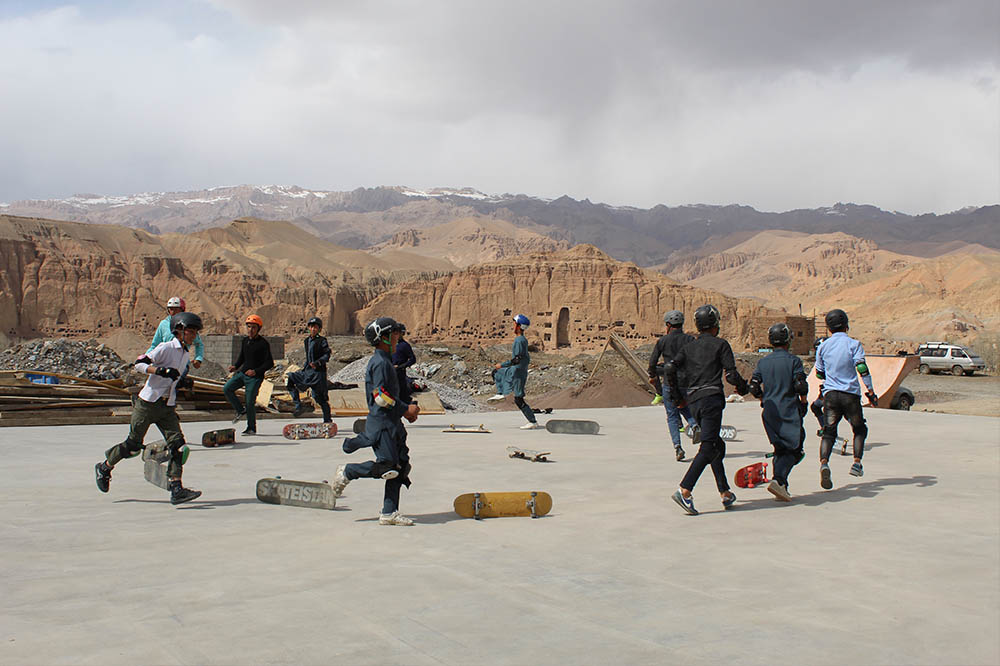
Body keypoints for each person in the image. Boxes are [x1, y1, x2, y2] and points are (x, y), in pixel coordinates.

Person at [94, 312, 203, 505]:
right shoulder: (165, 348)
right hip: (148, 403)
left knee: (178, 446)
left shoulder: (186, 354)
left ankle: (176, 488)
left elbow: (173, 377)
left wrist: (182, 381)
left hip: (166, 406)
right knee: (133, 445)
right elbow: (139, 364)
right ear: (179, 331)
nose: (194, 335)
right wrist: (160, 370)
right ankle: (105, 467)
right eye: (191, 331)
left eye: (195, 332)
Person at [332, 317, 419, 526]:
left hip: (392, 423)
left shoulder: (387, 361)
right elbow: (381, 397)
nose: (398, 338)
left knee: (400, 466)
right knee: (388, 467)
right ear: (383, 338)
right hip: (382, 423)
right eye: (394, 334)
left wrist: (406, 409)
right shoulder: (380, 363)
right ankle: (348, 471)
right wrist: (405, 409)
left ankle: (389, 512)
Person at [665, 304, 750, 515]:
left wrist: (677, 397)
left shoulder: (688, 348)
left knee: (717, 446)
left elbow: (669, 368)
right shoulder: (721, 345)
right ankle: (684, 490)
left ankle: (725, 492)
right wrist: (743, 387)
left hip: (694, 401)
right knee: (708, 446)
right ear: (715, 324)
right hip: (711, 399)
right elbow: (730, 375)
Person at [814, 308, 878, 489]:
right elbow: (862, 368)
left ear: (828, 327)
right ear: (846, 325)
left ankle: (824, 463)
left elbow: (819, 374)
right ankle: (857, 463)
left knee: (829, 432)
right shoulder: (854, 344)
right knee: (859, 429)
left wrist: (831, 373)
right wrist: (871, 391)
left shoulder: (823, 346)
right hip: (850, 395)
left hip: (831, 396)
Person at [749, 323, 809, 501]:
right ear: (787, 340)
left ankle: (782, 488)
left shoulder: (763, 361)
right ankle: (779, 479)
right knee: (795, 449)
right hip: (788, 410)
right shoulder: (793, 361)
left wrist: (762, 397)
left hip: (769, 411)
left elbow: (753, 385)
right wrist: (804, 403)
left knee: (779, 449)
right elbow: (800, 385)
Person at [648, 309, 697, 462]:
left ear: (668, 325)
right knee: (684, 406)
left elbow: (651, 364)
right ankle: (694, 425)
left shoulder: (662, 341)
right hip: (687, 382)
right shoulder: (690, 340)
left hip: (669, 383)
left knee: (672, 416)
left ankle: (678, 447)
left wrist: (654, 374)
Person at [223, 314, 274, 436]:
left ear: (258, 329)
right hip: (242, 373)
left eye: (253, 328)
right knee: (227, 388)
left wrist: (255, 371)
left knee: (249, 401)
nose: (250, 330)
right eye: (249, 327)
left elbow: (269, 363)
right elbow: (242, 357)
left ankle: (251, 427)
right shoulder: (245, 341)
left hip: (255, 377)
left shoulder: (263, 343)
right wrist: (235, 366)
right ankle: (240, 411)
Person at [487, 314, 539, 430]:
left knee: (518, 398)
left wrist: (502, 364)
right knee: (496, 372)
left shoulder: (520, 340)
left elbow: (517, 359)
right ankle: (501, 394)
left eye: (515, 323)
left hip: (517, 372)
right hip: (517, 370)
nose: (513, 325)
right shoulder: (520, 339)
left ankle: (532, 421)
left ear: (519, 326)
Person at [286, 317, 332, 422]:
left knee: (319, 398)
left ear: (319, 329)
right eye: (311, 327)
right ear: (308, 328)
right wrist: (304, 369)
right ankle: (298, 405)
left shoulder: (322, 341)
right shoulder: (307, 341)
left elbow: (327, 355)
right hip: (308, 372)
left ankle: (327, 420)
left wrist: (318, 363)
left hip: (318, 374)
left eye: (316, 327)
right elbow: (308, 357)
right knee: (290, 378)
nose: (313, 329)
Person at [147, 297, 204, 370]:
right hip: (164, 362)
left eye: (176, 309)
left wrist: (198, 359)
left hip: (181, 363)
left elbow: (199, 344)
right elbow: (155, 344)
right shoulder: (163, 324)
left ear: (182, 310)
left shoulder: (187, 325)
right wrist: (146, 357)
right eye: (171, 309)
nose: (173, 312)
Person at [392, 323, 417, 406]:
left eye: (397, 333)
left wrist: (401, 366)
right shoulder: (391, 345)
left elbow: (413, 359)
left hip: (399, 373)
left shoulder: (405, 345)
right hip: (389, 372)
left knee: (401, 394)